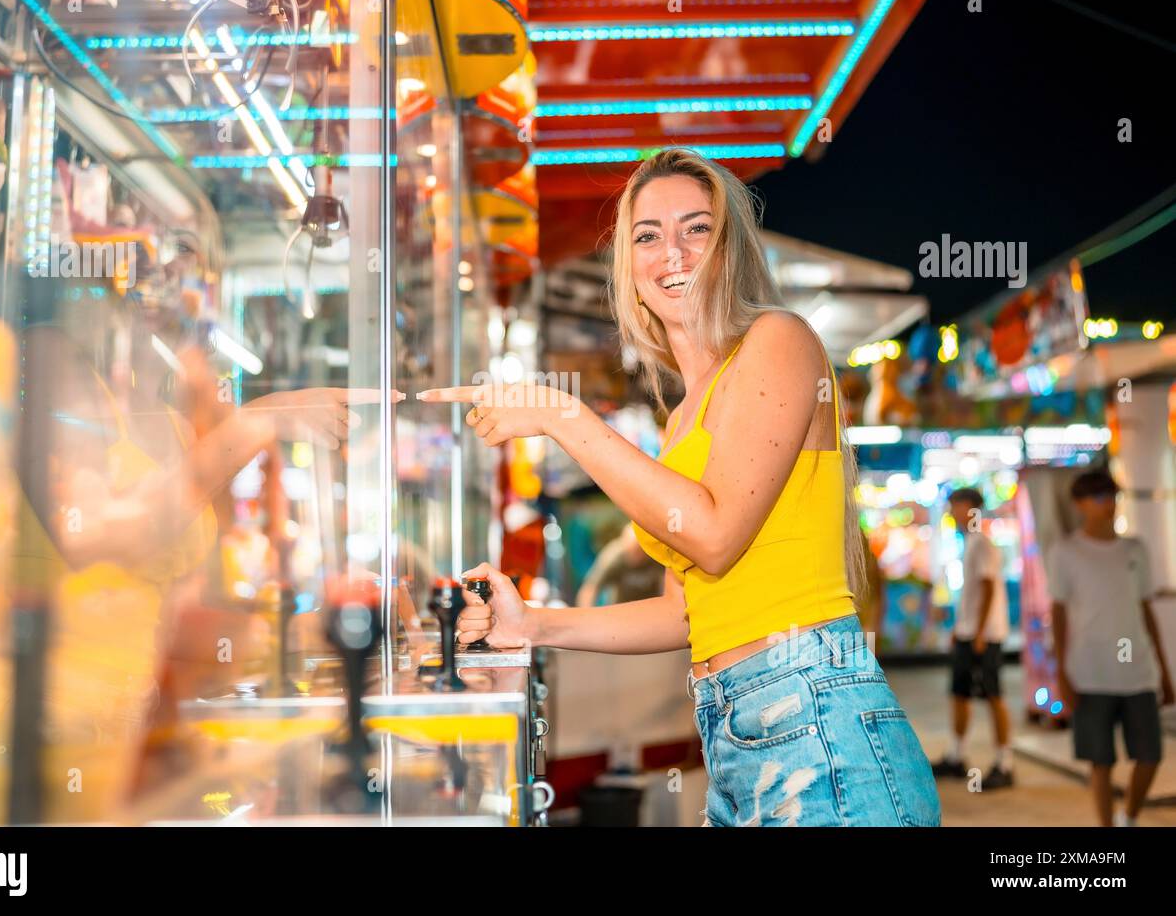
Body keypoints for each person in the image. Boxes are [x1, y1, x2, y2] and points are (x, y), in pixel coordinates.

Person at [420, 147, 940, 827]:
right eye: (648, 234)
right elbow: (688, 614)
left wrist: (564, 417)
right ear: (629, 270)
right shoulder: (683, 418)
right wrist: (534, 626)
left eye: (697, 228)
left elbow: (716, 537)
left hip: (817, 716)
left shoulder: (779, 341)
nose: (674, 251)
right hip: (733, 731)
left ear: (731, 249)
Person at [1048, 470, 1174, 826]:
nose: (1109, 505)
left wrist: (1164, 671)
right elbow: (1057, 613)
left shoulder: (1135, 549)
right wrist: (1061, 673)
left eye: (1112, 497)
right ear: (1080, 504)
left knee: (1150, 754)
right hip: (1089, 673)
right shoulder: (1066, 552)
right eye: (1100, 498)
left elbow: (1145, 609)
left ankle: (1129, 816)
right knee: (1099, 760)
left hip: (1137, 673)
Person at [931, 487, 1014, 788]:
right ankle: (956, 756)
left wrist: (978, 632)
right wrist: (961, 628)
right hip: (971, 633)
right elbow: (975, 593)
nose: (952, 513)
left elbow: (989, 588)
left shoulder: (981, 544)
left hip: (985, 636)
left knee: (993, 695)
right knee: (960, 694)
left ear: (971, 508)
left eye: (956, 506)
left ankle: (1005, 762)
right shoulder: (970, 543)